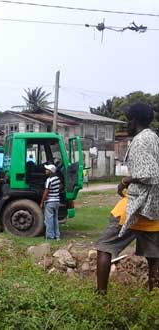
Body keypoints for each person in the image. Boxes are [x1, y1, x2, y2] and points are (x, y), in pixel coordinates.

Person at [95, 102, 159, 294]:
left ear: (134, 120)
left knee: (104, 247)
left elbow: (150, 174)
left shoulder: (140, 141)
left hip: (137, 204)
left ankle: (100, 296)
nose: (126, 125)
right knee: (154, 258)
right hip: (154, 207)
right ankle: (153, 299)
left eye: (127, 121)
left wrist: (125, 181)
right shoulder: (153, 137)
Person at [41, 164, 61, 240]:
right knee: (55, 219)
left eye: (47, 170)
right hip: (57, 201)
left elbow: (46, 191)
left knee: (49, 220)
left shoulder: (49, 180)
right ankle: (57, 236)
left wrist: (41, 202)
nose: (45, 171)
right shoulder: (57, 179)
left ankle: (50, 236)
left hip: (50, 202)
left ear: (51, 172)